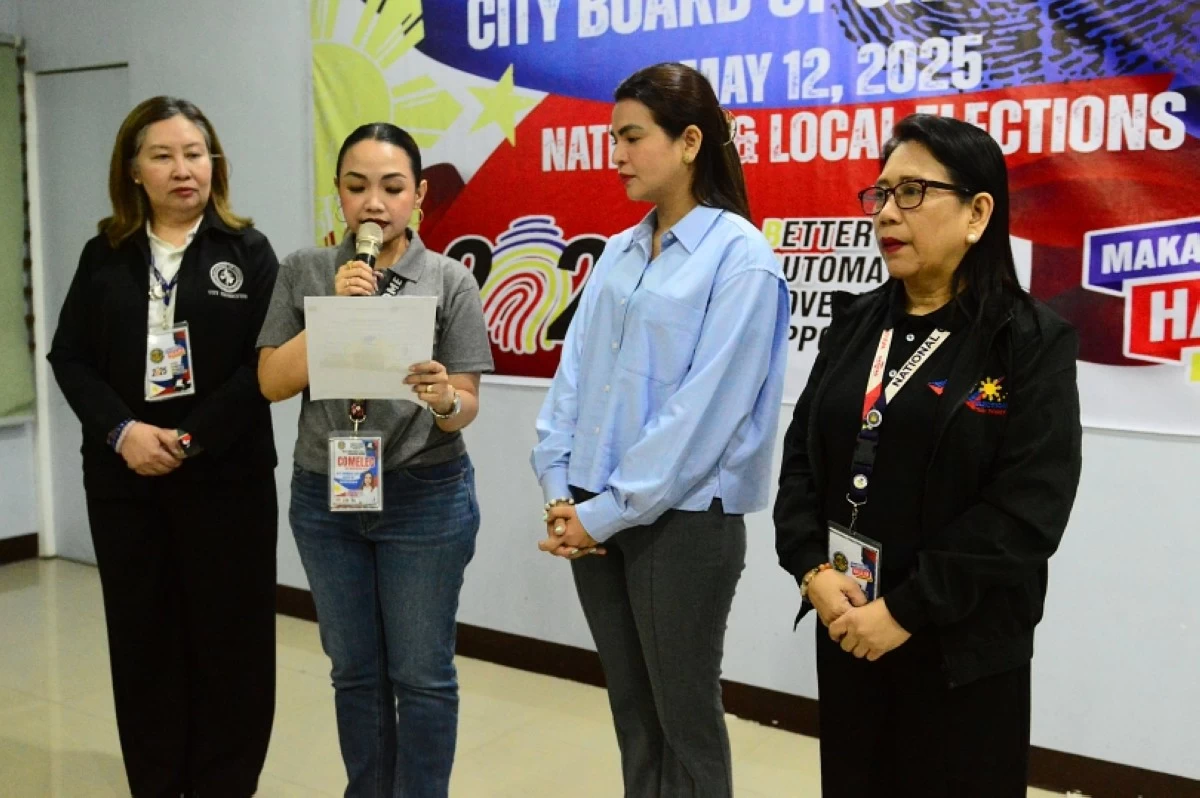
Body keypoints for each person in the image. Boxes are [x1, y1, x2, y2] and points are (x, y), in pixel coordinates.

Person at [774, 113, 1083, 797]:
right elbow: (802, 460)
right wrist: (811, 568)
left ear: (977, 213)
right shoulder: (856, 322)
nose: (886, 212)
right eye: (879, 194)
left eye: (911, 192)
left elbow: (1027, 511)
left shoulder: (1030, 341)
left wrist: (905, 611)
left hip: (960, 651)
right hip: (849, 626)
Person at [531, 62, 789, 797]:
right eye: (613, 137)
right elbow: (573, 381)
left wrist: (599, 513)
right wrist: (560, 488)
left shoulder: (741, 259)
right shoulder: (617, 252)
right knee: (633, 711)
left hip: (681, 525)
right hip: (590, 508)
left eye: (632, 137)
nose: (616, 154)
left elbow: (701, 418)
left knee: (686, 719)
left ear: (689, 142)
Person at [47, 96, 280, 797]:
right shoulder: (105, 255)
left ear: (215, 164)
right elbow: (71, 359)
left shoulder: (248, 251)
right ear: (134, 170)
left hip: (226, 482)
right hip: (128, 485)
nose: (184, 168)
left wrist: (188, 438)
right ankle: (156, 782)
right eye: (164, 155)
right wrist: (124, 433)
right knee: (145, 644)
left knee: (230, 647)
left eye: (196, 153)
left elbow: (260, 369)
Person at [257, 122, 493, 798]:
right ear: (338, 195)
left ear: (418, 195)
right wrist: (331, 309)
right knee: (354, 670)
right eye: (357, 187)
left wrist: (445, 397)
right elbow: (272, 382)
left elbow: (467, 402)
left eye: (392, 188)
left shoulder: (448, 280)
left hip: (426, 495)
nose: (374, 203)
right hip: (326, 495)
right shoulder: (306, 269)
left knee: (421, 675)